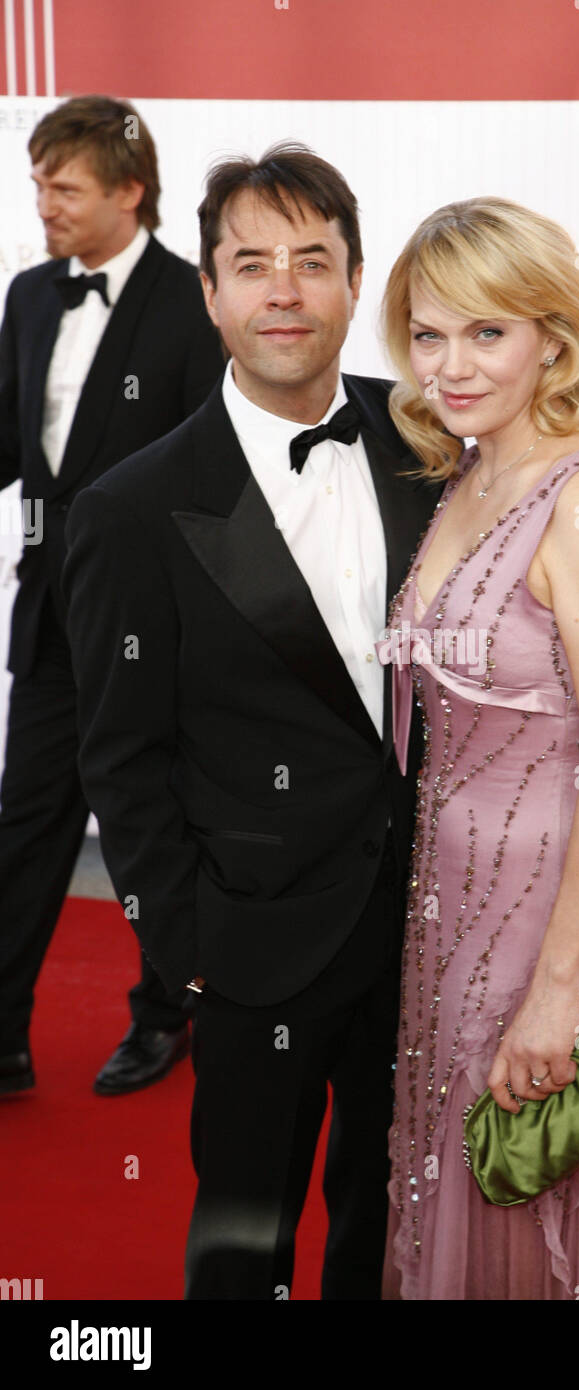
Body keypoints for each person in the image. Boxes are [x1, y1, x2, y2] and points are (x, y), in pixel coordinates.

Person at [62, 141, 443, 1298]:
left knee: (392, 1230)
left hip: (425, 937)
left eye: (312, 260)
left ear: (353, 282)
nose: (285, 288)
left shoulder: (431, 447)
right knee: (246, 1244)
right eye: (252, 262)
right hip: (251, 950)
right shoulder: (131, 506)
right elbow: (120, 758)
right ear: (212, 293)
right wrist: (189, 952)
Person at [376, 196, 579, 1299]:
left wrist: (556, 987)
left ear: (551, 336)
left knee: (534, 1172)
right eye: (429, 333)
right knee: (459, 1175)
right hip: (448, 903)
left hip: (548, 914)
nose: (451, 364)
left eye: (487, 331)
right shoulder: (464, 479)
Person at [0, 95, 224, 1099]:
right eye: (39, 181)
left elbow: (214, 478)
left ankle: (166, 1014)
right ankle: (2, 1034)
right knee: (26, 824)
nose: (42, 201)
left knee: (158, 825)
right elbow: (15, 443)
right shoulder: (29, 294)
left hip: (156, 625)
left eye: (64, 186)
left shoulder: (195, 302)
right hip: (49, 607)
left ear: (130, 192)